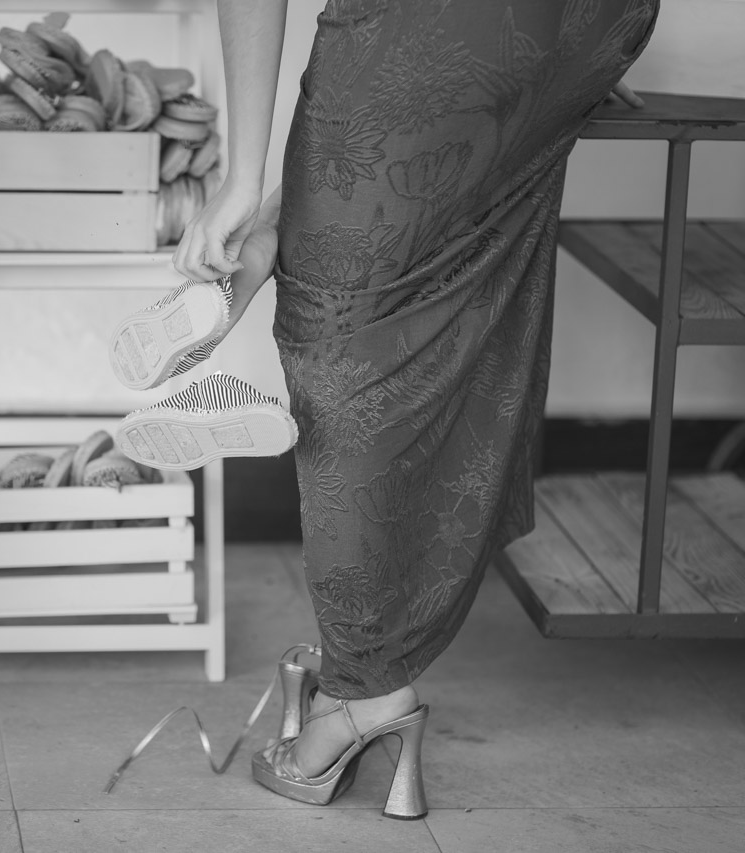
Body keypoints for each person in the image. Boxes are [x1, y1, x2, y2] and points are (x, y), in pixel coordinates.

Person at [116, 0, 659, 815]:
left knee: (341, 333)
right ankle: (270, 245)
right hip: (594, 26)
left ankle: (363, 693)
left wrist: (240, 178)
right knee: (440, 247)